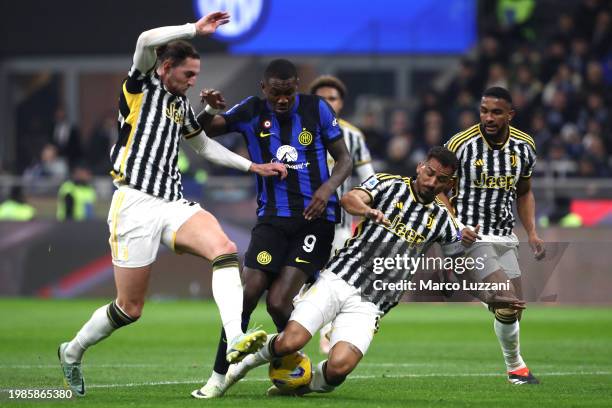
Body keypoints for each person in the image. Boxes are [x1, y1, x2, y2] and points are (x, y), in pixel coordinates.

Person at [57, 12, 288, 397]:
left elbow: (201, 144)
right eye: (188, 74)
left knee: (226, 250)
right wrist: (195, 29)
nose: (194, 81)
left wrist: (254, 166)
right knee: (129, 308)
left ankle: (234, 338)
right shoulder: (140, 83)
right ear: (166, 68)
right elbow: (146, 37)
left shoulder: (179, 106)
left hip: (173, 201)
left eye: (196, 74)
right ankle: (72, 351)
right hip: (133, 202)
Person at [219, 146, 525, 396]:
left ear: (450, 185)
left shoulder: (445, 222)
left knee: (338, 369)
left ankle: (299, 385)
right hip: (338, 279)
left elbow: (460, 268)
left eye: (441, 180)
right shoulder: (387, 184)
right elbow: (350, 198)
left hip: (372, 304)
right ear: (420, 167)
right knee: (291, 342)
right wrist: (368, 211)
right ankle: (241, 366)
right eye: (430, 173)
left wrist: (490, 298)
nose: (432, 183)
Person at [193, 59, 352, 398]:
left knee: (279, 302)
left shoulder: (316, 109)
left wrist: (326, 192)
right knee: (249, 292)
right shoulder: (251, 110)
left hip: (315, 220)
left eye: (289, 92)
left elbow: (345, 159)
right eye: (276, 93)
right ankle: (219, 376)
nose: (283, 99)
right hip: (271, 220)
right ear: (264, 89)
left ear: (297, 85)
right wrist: (207, 109)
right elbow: (203, 130)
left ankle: (292, 360)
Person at [439, 86, 545, 385]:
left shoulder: (525, 146)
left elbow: (524, 192)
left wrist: (533, 232)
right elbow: (438, 190)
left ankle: (483, 295)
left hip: (504, 236)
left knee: (512, 311)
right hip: (470, 237)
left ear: (510, 114)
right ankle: (517, 369)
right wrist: (456, 226)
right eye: (484, 110)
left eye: (496, 112)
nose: (488, 117)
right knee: (508, 303)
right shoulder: (460, 144)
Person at [308, 75, 375, 353]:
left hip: (339, 224)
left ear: (341, 103)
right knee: (301, 279)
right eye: (322, 98)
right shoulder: (298, 129)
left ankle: (328, 334)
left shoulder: (353, 136)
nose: (328, 103)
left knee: (334, 280)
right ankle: (297, 332)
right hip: (299, 220)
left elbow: (369, 179)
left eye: (332, 98)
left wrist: (367, 205)